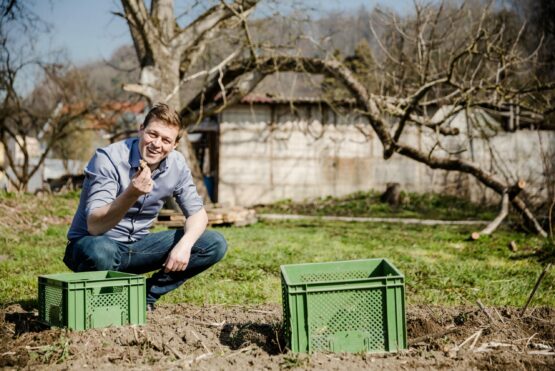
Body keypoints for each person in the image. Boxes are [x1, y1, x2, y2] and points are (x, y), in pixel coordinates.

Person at [63, 103, 226, 311]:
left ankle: (144, 296)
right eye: (152, 134)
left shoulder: (176, 165)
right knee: (101, 250)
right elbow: (95, 226)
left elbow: (198, 215)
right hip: (92, 247)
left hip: (137, 248)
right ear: (141, 129)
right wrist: (132, 193)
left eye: (166, 140)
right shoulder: (109, 159)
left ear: (175, 144)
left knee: (213, 243)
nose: (157, 144)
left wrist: (184, 245)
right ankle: (106, 300)